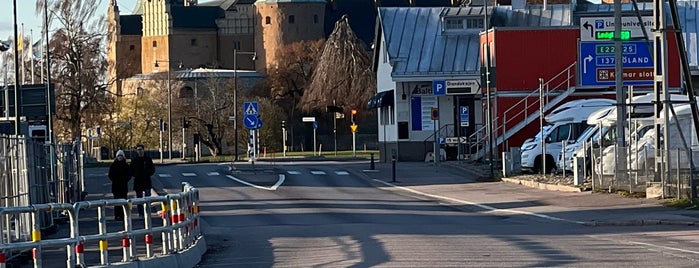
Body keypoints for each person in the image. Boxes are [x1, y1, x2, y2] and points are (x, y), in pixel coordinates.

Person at [129, 144, 155, 216]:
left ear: (143, 150)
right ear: (136, 151)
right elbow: (131, 170)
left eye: (141, 149)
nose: (139, 151)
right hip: (138, 181)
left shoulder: (148, 159)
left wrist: (148, 173)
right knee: (139, 199)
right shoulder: (134, 160)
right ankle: (141, 213)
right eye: (138, 150)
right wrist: (135, 174)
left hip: (146, 180)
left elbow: (152, 169)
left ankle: (147, 212)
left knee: (148, 198)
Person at [108, 150, 131, 221]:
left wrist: (125, 179)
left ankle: (124, 215)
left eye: (121, 156)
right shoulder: (113, 165)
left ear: (123, 157)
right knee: (116, 201)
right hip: (116, 186)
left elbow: (129, 175)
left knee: (124, 201)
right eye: (118, 156)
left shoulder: (126, 165)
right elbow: (110, 175)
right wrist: (115, 180)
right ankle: (117, 215)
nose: (120, 157)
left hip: (123, 186)